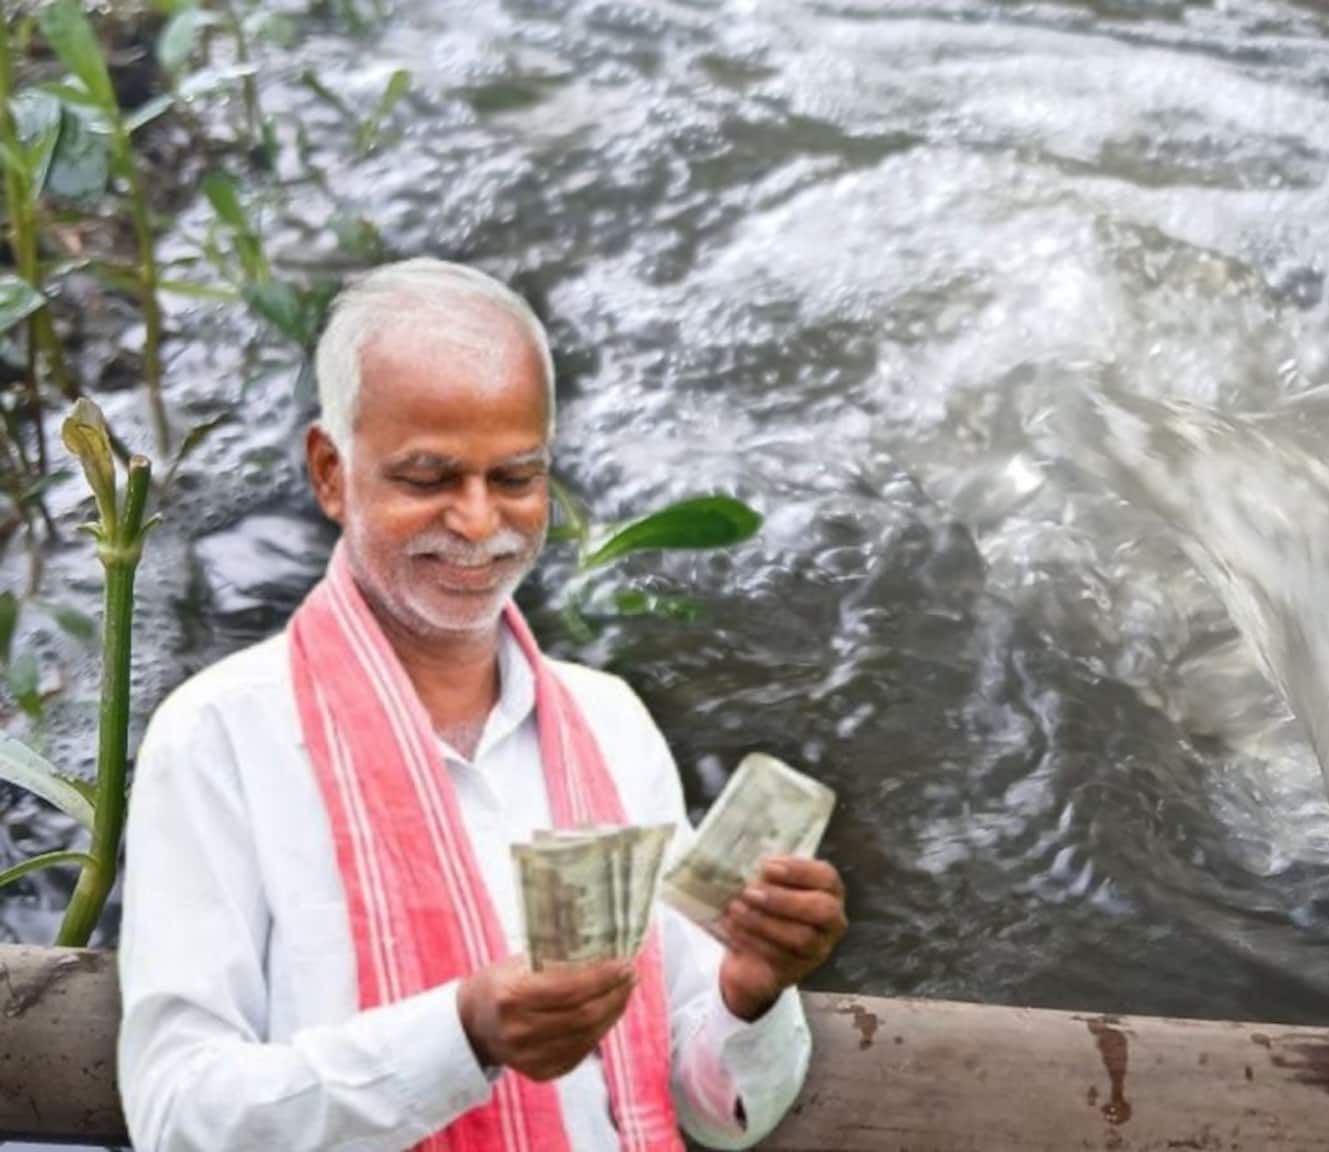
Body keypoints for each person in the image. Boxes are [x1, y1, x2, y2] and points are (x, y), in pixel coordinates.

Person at [116, 258, 847, 1152]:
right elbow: (177, 1114)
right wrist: (460, 1037)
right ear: (330, 472)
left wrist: (750, 990)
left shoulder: (610, 723)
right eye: (428, 479)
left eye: (513, 477)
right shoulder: (220, 735)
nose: (476, 521)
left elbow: (711, 1109)